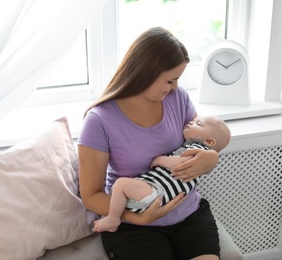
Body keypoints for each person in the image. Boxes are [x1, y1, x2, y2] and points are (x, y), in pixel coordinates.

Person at [78, 27, 222, 260]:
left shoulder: (178, 98)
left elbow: (202, 143)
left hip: (189, 215)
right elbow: (91, 195)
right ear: (146, 72)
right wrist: (137, 217)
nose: (175, 87)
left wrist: (212, 158)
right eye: (170, 80)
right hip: (133, 227)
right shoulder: (99, 120)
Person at [92, 115, 230, 233]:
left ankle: (113, 219)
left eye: (198, 123)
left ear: (209, 141)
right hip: (160, 195)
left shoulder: (197, 149)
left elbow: (180, 164)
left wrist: (159, 160)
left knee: (120, 184)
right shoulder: (195, 149)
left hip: (157, 192)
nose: (191, 122)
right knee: (121, 189)